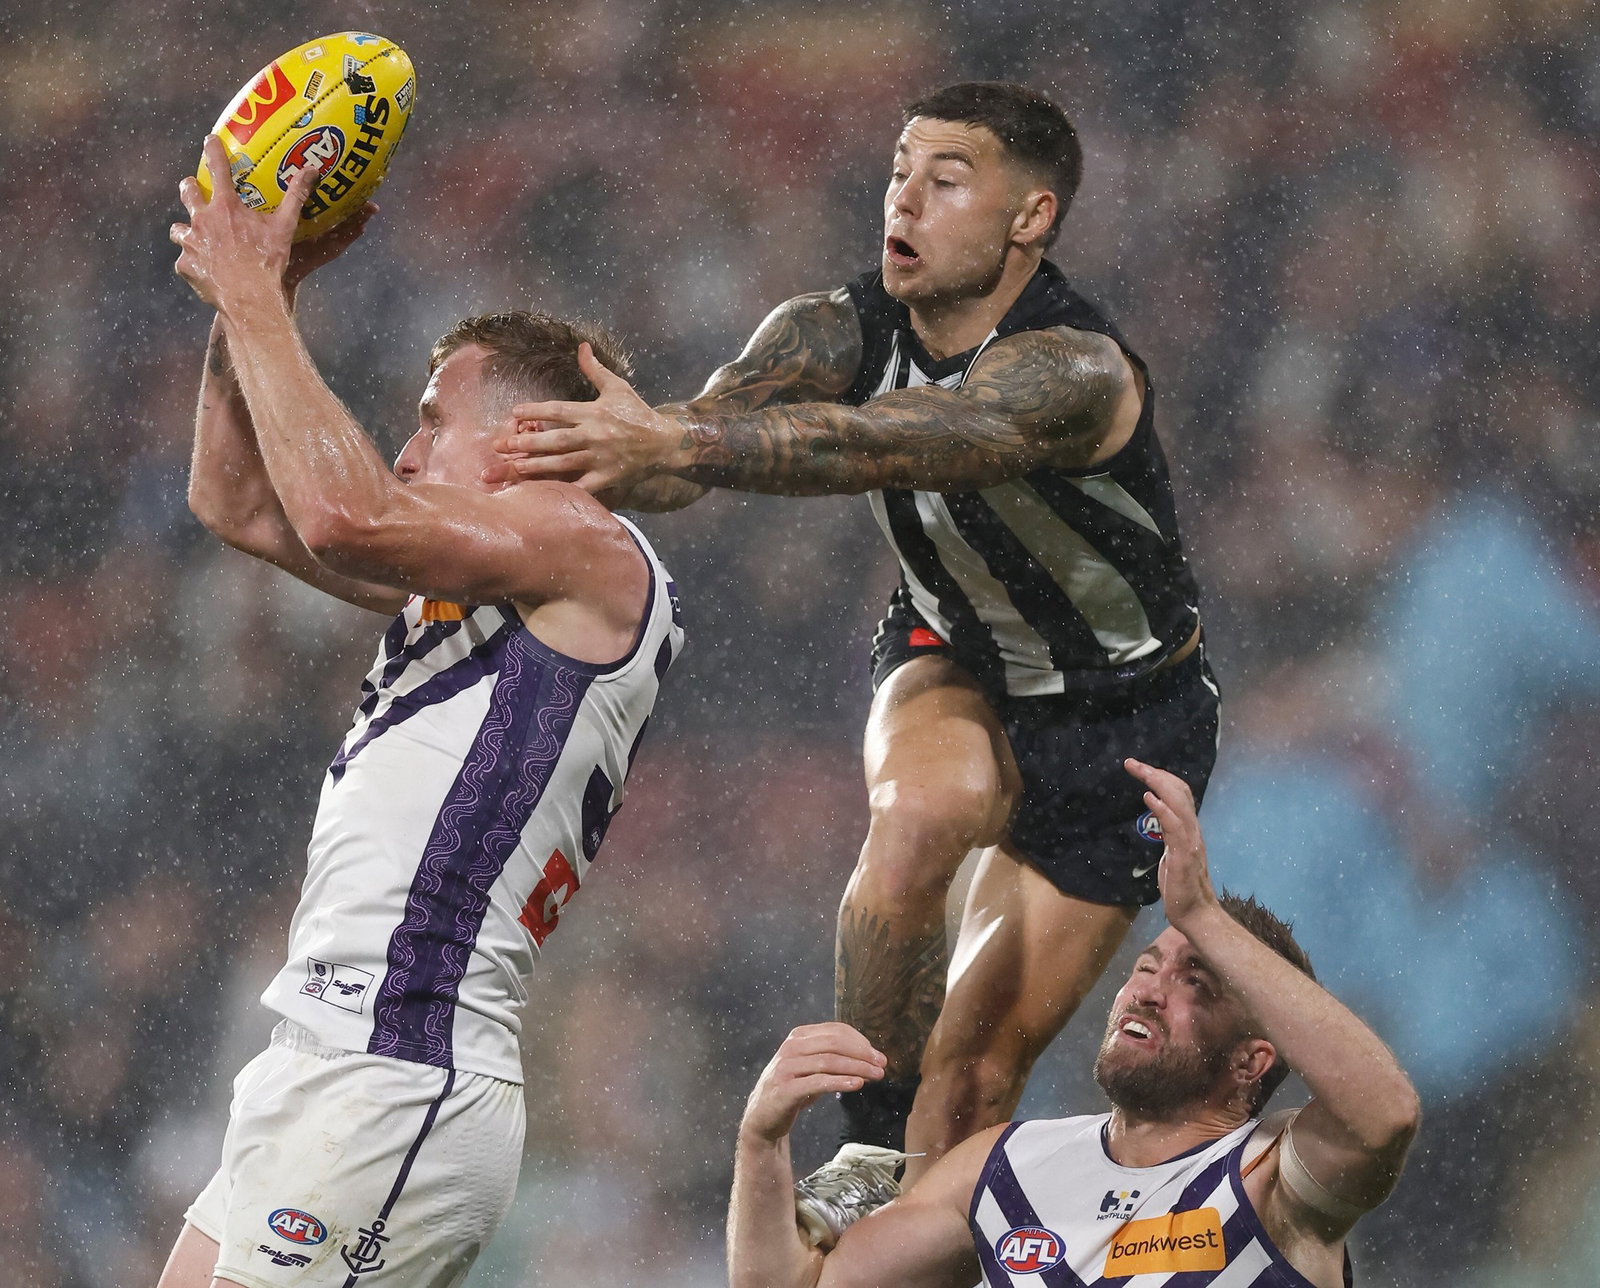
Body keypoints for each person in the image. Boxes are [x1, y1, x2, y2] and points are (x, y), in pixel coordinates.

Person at [489, 81, 1220, 1233]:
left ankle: (918, 1215)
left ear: (1030, 218)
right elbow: (702, 455)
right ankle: (866, 1145)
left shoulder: (1075, 370)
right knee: (925, 812)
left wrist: (683, 435)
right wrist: (607, 453)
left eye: (946, 179)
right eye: (896, 171)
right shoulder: (831, 326)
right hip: (952, 646)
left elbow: (892, 439)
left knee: (975, 1082)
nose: (904, 201)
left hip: (1125, 713)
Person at [156, 138, 683, 1288]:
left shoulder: (592, 548)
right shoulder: (487, 580)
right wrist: (267, 291)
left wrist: (257, 298)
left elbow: (345, 516)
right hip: (324, 1060)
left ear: (528, 439)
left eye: (433, 416)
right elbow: (237, 499)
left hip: (401, 1067)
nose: (405, 445)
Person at [727, 758, 1421, 1288]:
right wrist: (762, 1140)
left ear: (1251, 1061)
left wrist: (1202, 916)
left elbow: (1383, 1113)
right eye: (1147, 966)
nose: (1149, 991)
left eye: (1196, 982)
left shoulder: (1270, 1175)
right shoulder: (1005, 1169)